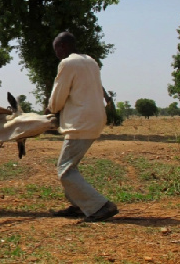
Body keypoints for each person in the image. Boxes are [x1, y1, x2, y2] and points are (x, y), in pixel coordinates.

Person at [46, 31, 119, 222]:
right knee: (71, 165)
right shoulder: (91, 61)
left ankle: (100, 206)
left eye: (56, 49)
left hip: (80, 122)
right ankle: (79, 205)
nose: (56, 54)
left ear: (62, 47)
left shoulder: (67, 63)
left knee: (65, 169)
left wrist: (52, 109)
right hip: (95, 119)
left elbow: (58, 95)